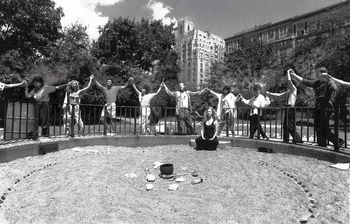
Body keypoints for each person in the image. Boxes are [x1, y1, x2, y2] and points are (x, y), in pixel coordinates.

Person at [290, 67, 344, 151]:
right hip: (318, 107)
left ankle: (337, 141)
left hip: (326, 107)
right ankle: (322, 145)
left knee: (324, 128)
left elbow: (334, 88)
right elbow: (305, 81)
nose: (315, 74)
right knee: (317, 128)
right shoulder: (317, 83)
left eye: (317, 73)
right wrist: (294, 75)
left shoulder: (329, 83)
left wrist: (329, 78)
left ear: (323, 74)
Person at [267, 70, 303, 143]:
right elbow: (279, 96)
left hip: (291, 108)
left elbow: (289, 80)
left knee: (289, 125)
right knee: (285, 125)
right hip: (287, 108)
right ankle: (286, 140)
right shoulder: (288, 92)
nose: (287, 85)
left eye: (288, 84)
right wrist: (270, 94)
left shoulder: (294, 89)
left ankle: (298, 139)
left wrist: (288, 72)